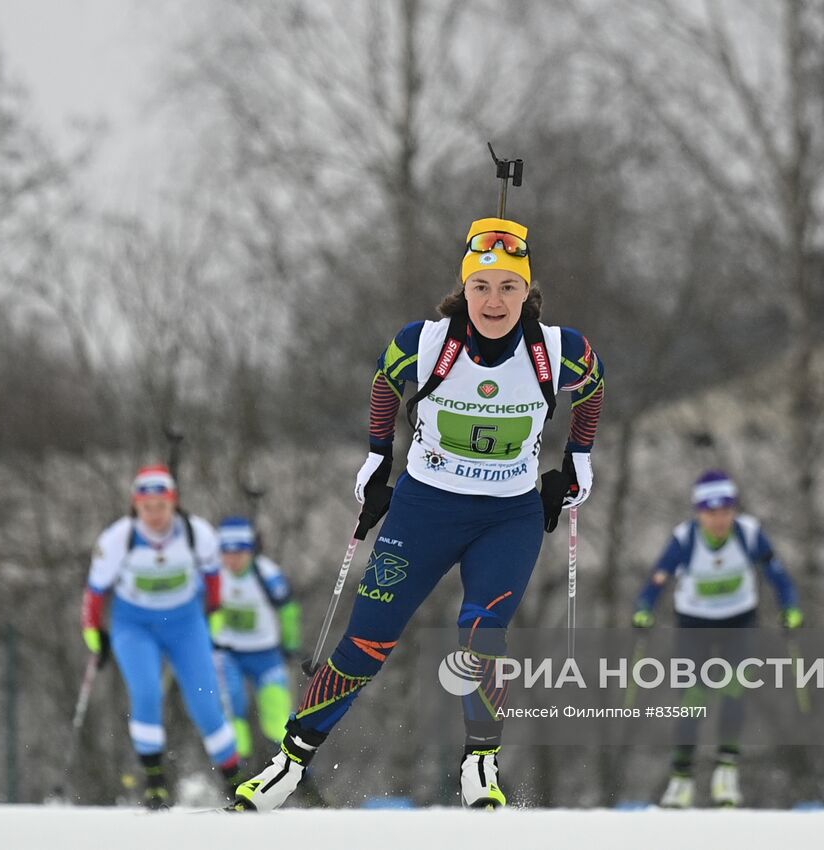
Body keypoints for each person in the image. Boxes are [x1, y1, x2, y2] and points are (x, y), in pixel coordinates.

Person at [232, 214, 606, 811]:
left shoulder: (558, 351)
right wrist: (378, 456)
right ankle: (289, 763)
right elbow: (385, 384)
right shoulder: (426, 343)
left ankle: (480, 766)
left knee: (483, 631)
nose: (494, 300)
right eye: (481, 287)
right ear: (465, 290)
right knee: (367, 643)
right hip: (423, 510)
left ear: (527, 293)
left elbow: (592, 385)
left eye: (509, 287)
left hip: (506, 518)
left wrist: (578, 459)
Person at [631, 469, 803, 808]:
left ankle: (727, 775)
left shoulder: (750, 534)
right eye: (711, 512)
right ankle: (681, 779)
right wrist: (644, 609)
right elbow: (656, 581)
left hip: (739, 621)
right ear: (699, 512)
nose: (719, 519)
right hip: (694, 623)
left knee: (734, 690)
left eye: (725, 511)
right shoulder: (685, 539)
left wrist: (791, 608)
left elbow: (780, 578)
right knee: (693, 697)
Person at [80, 464, 238, 810]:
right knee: (147, 692)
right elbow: (95, 593)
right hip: (134, 625)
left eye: (161, 506)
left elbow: (213, 578)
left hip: (185, 623)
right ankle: (155, 783)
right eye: (146, 508)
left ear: (174, 504)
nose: (154, 515)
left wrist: (216, 612)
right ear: (136, 506)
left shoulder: (197, 534)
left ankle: (235, 781)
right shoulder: (118, 538)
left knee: (206, 702)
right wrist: (94, 632)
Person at [210, 516, 300, 768]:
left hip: (267, 655)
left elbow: (289, 610)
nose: (233, 559)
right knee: (232, 711)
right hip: (228, 655)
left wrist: (290, 646)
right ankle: (239, 772)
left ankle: (299, 776)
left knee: (278, 720)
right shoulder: (215, 575)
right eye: (226, 553)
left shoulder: (267, 573)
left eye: (240, 552)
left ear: (251, 550)